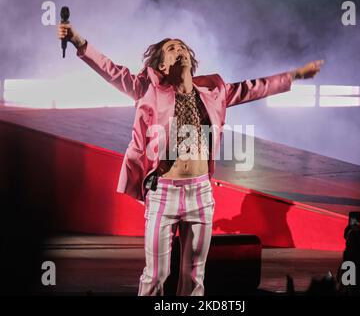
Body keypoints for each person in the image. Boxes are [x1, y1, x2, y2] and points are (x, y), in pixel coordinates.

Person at [57, 23, 323, 296]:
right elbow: (110, 69)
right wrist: (78, 40)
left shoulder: (214, 91)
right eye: (172, 49)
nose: (180, 50)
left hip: (201, 194)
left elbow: (253, 88)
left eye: (183, 47)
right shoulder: (147, 89)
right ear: (161, 65)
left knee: (195, 276)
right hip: (163, 193)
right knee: (156, 275)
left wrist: (295, 75)